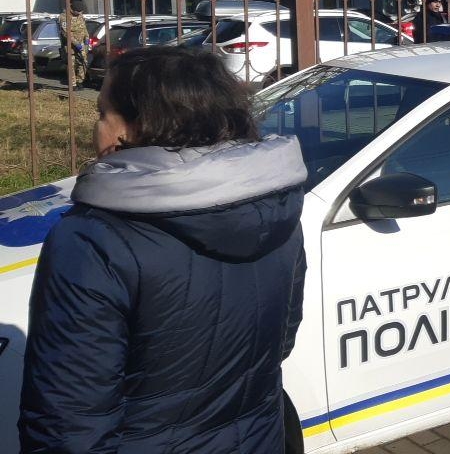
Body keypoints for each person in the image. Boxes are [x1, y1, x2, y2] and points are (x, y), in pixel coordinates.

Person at [20, 47, 308, 452]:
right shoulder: (273, 211)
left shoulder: (93, 241)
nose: (96, 128)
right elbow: (280, 344)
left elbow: (67, 420)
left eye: (102, 113)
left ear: (134, 129)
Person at [57, 0, 90, 88]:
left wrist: (87, 38)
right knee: (71, 65)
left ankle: (80, 81)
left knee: (83, 62)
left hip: (81, 44)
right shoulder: (64, 17)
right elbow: (66, 33)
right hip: (69, 46)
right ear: (73, 9)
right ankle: (73, 84)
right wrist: (76, 44)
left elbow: (84, 28)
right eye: (78, 12)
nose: (80, 13)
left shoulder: (80, 16)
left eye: (81, 12)